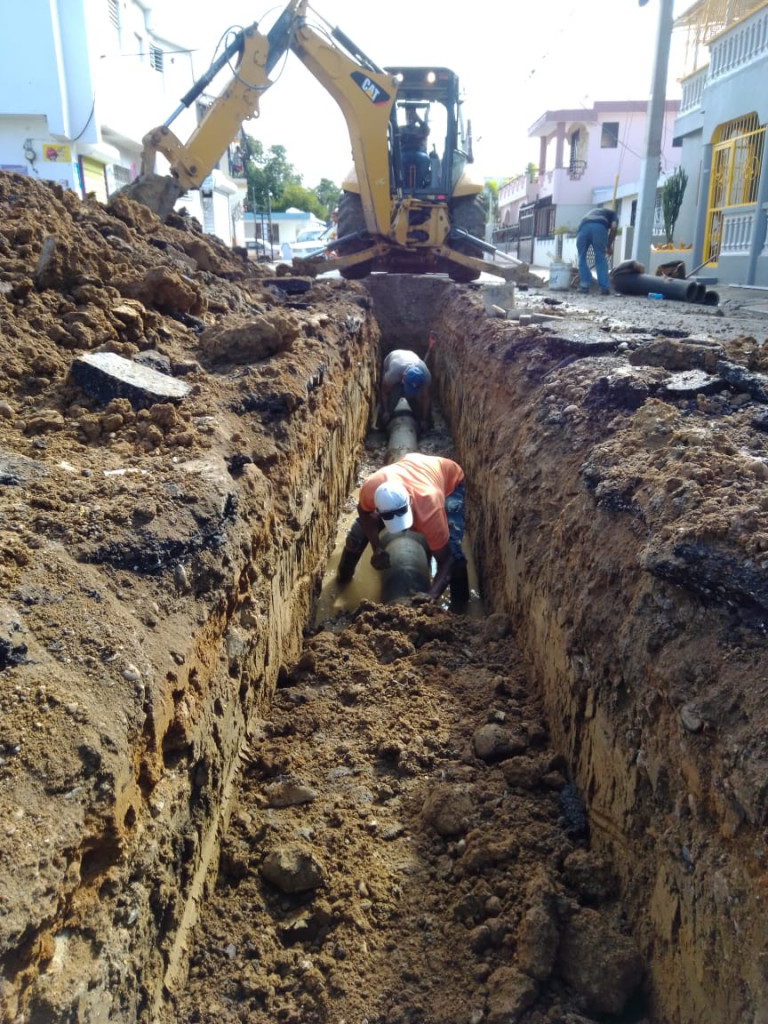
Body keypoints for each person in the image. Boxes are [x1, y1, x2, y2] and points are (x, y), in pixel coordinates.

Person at [355, 452, 466, 602]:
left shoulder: (430, 507)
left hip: (449, 479)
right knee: (356, 535)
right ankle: (344, 575)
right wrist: (377, 548)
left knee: (454, 554)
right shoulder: (371, 489)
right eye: (388, 517)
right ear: (378, 509)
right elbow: (363, 511)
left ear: (409, 501)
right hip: (411, 467)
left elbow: (446, 560)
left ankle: (461, 605)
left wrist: (431, 595)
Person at [380, 349, 432, 432]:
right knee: (390, 402)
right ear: (403, 378)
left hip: (411, 357)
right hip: (393, 358)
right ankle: (383, 427)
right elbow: (384, 392)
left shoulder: (426, 377)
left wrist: (424, 419)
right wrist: (385, 411)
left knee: (419, 405)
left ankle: (424, 426)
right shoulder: (393, 374)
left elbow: (425, 398)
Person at [576, 207, 618, 295]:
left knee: (581, 257)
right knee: (600, 256)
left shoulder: (593, 212)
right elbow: (613, 228)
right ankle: (604, 288)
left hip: (583, 228)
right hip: (599, 228)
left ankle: (584, 285)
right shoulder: (613, 214)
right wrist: (608, 246)